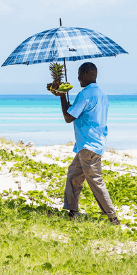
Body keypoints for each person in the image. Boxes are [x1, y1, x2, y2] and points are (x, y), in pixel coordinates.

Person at [50, 62, 119, 225]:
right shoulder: (101, 94)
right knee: (73, 174)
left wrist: (61, 97)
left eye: (80, 74)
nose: (78, 78)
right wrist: (63, 95)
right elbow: (77, 113)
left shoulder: (85, 94)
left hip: (89, 145)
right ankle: (72, 212)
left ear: (87, 73)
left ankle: (112, 218)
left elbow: (68, 117)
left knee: (95, 180)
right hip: (93, 143)